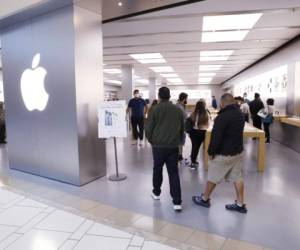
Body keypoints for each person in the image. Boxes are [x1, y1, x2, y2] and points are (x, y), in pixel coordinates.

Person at [192, 93, 247, 214]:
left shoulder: (223, 117)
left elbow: (216, 137)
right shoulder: (240, 114)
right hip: (237, 152)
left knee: (213, 176)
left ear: (222, 103)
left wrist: (211, 151)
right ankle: (240, 204)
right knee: (237, 177)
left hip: (224, 152)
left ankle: (204, 199)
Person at [146, 87, 184, 212]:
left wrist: (152, 141)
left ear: (159, 96)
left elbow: (148, 128)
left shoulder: (154, 109)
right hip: (173, 146)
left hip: (158, 146)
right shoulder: (177, 110)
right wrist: (178, 142)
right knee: (173, 172)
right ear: (169, 96)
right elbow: (182, 129)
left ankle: (156, 193)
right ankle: (177, 202)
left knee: (157, 169)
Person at [186, 100, 209, 170]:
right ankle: (193, 161)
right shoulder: (205, 113)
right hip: (201, 132)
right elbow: (207, 124)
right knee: (197, 147)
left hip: (193, 132)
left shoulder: (193, 113)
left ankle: (193, 159)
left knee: (194, 146)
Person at [176, 92, 189, 166]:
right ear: (184, 98)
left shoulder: (181, 105)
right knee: (180, 143)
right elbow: (185, 116)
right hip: (179, 127)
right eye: (186, 98)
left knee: (180, 143)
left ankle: (180, 156)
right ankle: (179, 158)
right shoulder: (179, 106)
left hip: (181, 126)